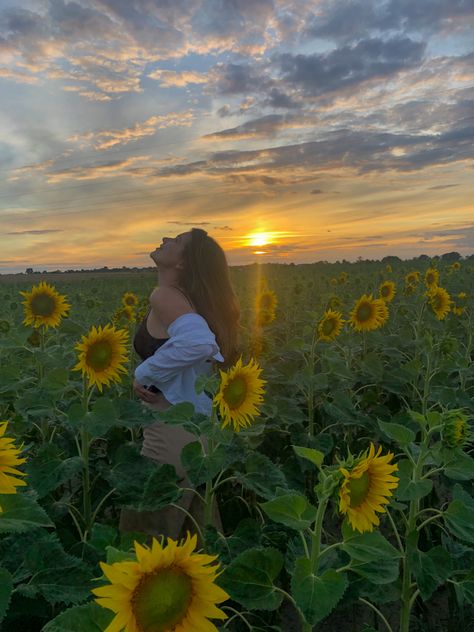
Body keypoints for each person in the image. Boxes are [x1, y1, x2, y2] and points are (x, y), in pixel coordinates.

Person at [120, 228, 240, 539]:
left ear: (184, 263)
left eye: (177, 240)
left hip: (170, 435)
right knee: (195, 546)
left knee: (145, 543)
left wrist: (144, 373)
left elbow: (199, 343)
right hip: (195, 436)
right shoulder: (187, 301)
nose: (165, 238)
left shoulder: (165, 296)